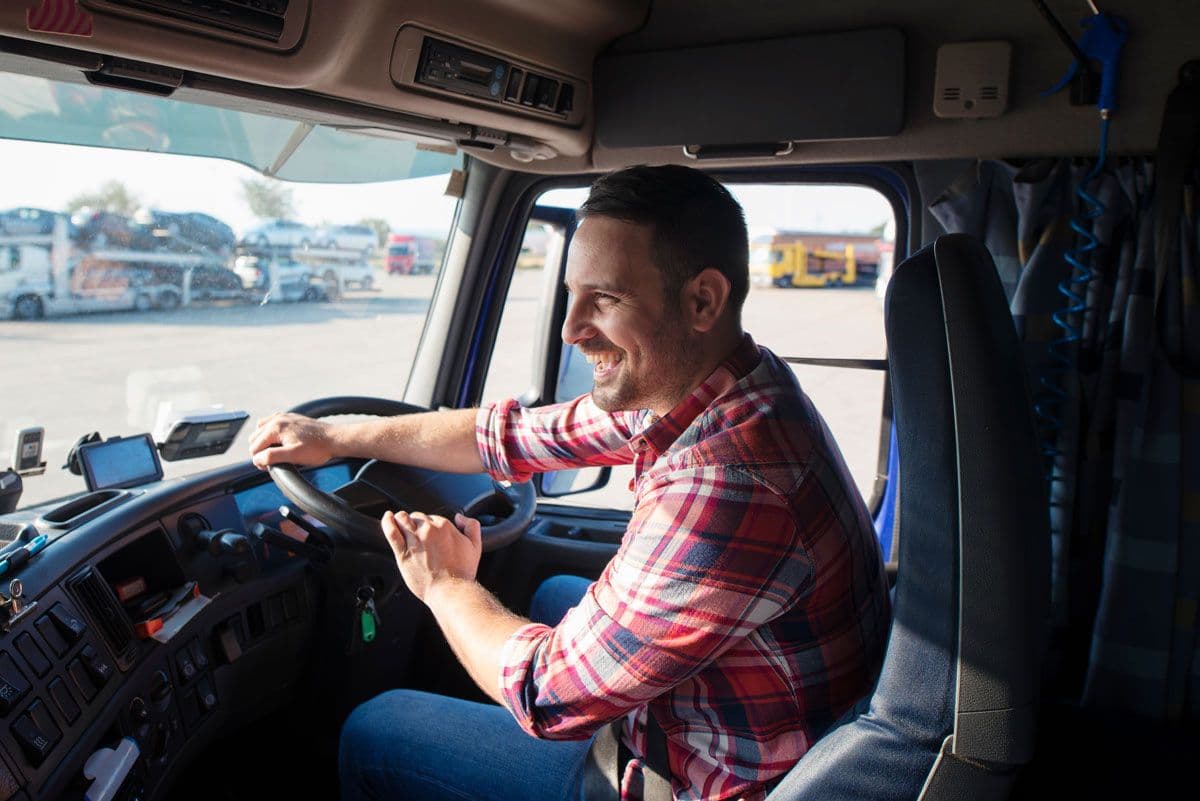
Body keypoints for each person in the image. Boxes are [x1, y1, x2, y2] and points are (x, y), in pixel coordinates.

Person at [249, 165, 891, 801]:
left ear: (702, 301)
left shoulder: (728, 483)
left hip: (699, 782)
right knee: (554, 588)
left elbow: (544, 695)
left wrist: (443, 584)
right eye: (573, 294)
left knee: (376, 726)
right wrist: (337, 435)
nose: (571, 328)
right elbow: (512, 437)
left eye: (604, 299)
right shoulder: (721, 385)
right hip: (728, 719)